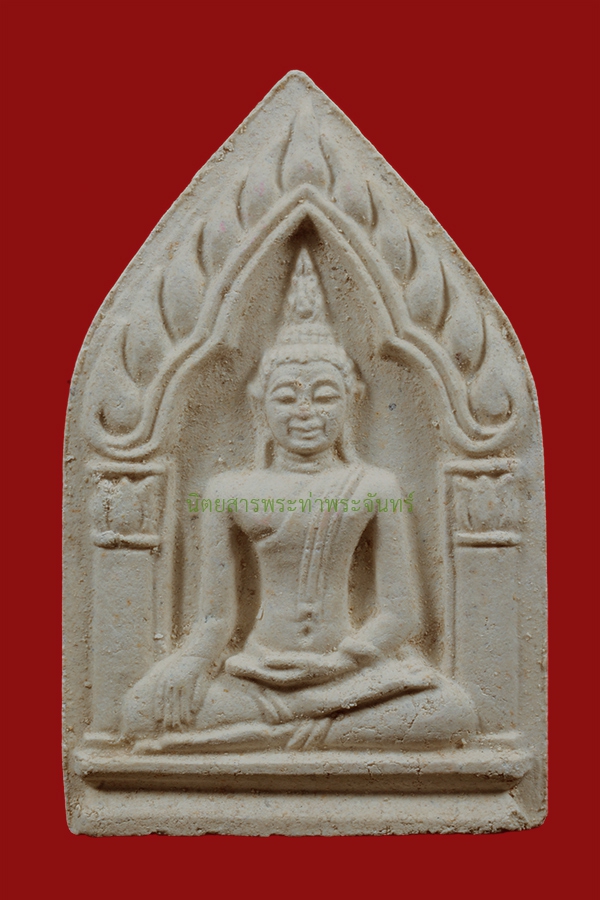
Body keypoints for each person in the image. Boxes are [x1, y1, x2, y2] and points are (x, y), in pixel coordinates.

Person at [122, 249, 477, 750]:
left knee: (455, 713)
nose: (306, 411)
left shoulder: (374, 485)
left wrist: (343, 662)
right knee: (139, 711)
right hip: (257, 673)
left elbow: (401, 615)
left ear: (351, 402)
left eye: (325, 396)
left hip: (349, 674)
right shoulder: (230, 490)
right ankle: (311, 727)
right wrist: (190, 664)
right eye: (287, 397)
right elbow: (214, 619)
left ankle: (276, 730)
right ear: (260, 407)